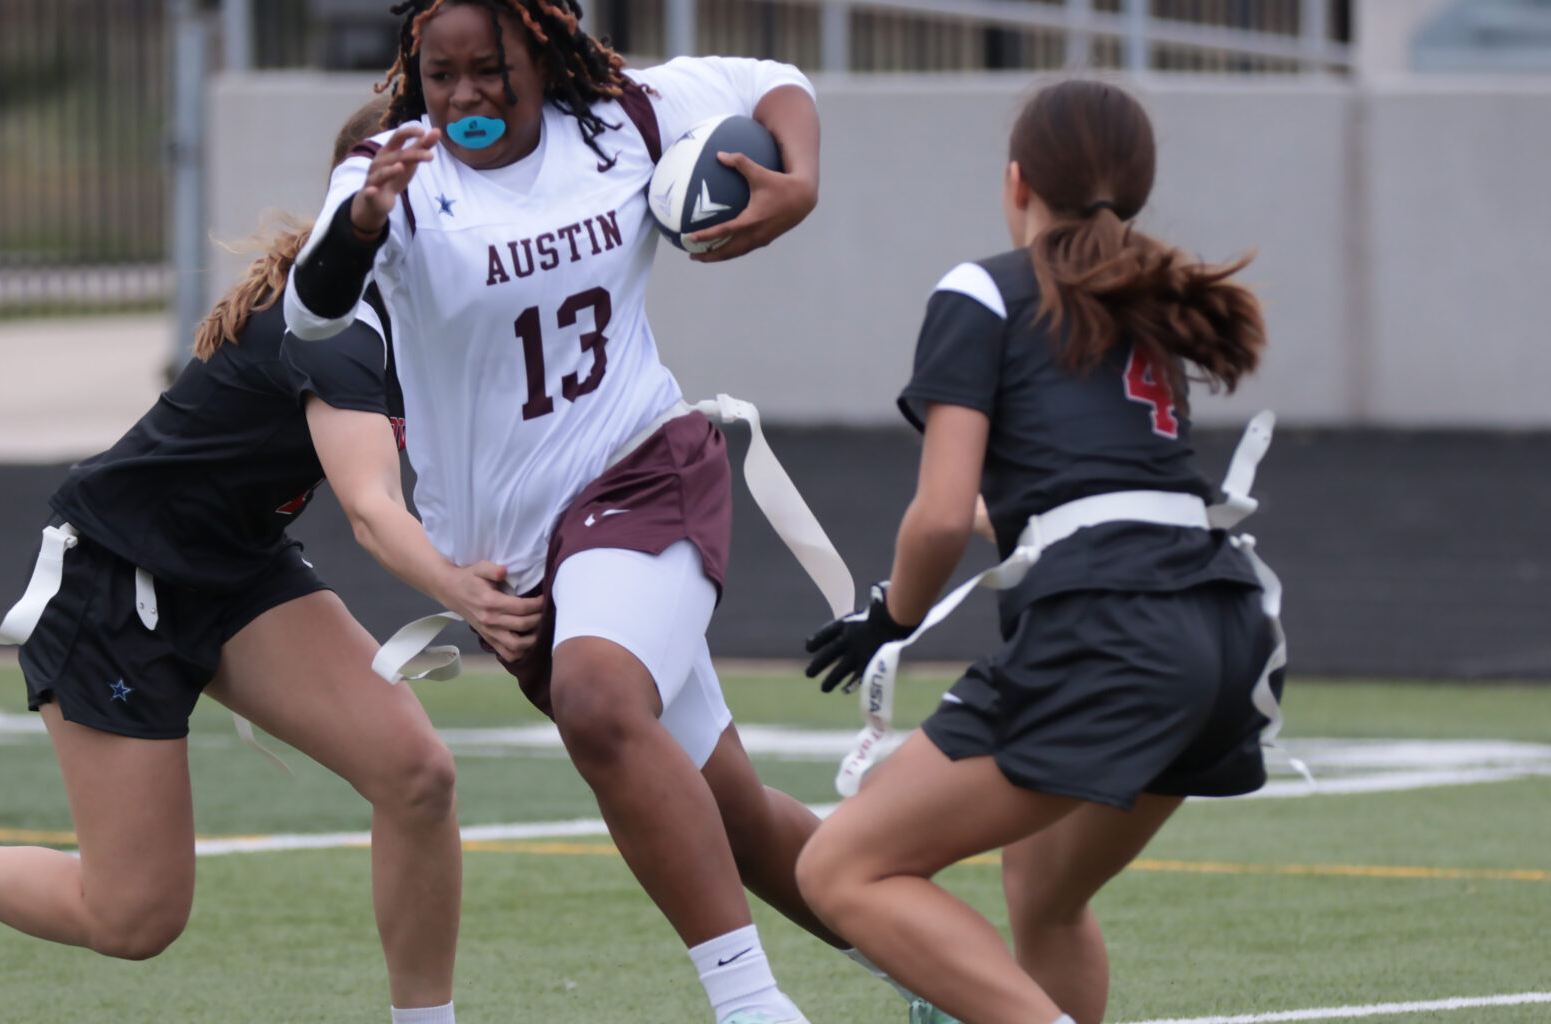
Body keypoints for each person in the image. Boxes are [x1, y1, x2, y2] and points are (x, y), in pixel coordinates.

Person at [284, 5, 952, 1023]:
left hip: (642, 469)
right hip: (516, 562)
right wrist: (367, 217)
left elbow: (775, 81)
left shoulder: (617, 118)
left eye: (487, 70)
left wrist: (801, 180)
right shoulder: (391, 172)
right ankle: (958, 978)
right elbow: (312, 308)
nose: (461, 97)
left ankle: (752, 1005)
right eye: (439, 73)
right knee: (729, 813)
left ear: (541, 53)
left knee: (600, 702)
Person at [0, 98, 543, 1024]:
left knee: (418, 775)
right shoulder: (333, 326)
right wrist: (461, 592)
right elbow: (371, 506)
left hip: (235, 571)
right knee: (134, 916)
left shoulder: (439, 318)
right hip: (115, 582)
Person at [794, 79, 1280, 1024]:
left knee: (841, 867)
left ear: (1017, 182)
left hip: (1113, 634)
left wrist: (891, 616)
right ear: (1135, 187)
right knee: (1042, 893)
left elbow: (938, 517)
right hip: (1227, 631)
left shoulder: (982, 289)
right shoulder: (1142, 292)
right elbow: (1092, 487)